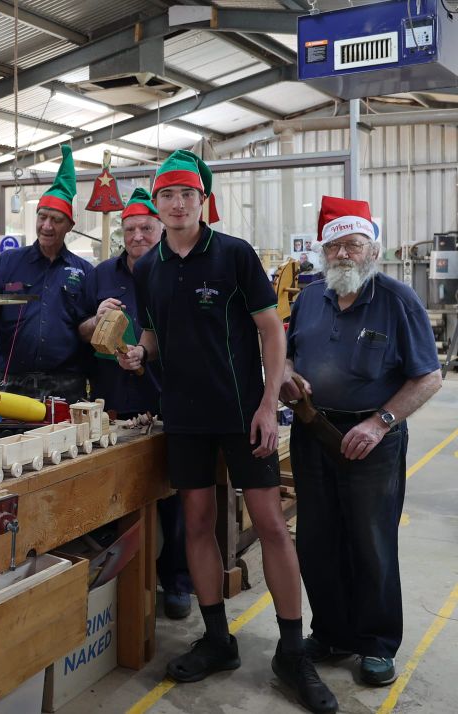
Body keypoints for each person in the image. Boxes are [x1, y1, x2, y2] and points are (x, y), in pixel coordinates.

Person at [119, 150, 337, 714]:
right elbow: (153, 335)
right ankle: (218, 639)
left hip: (244, 414)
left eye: (185, 193)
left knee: (269, 524)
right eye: (165, 194)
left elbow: (271, 332)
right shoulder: (148, 268)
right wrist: (136, 354)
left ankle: (292, 651)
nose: (175, 203)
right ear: (155, 202)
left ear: (202, 200)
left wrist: (269, 405)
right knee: (196, 521)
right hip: (185, 417)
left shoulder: (235, 256)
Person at [281, 196, 441, 686]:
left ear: (373, 251)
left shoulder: (397, 300)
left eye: (354, 245)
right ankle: (331, 632)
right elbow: (284, 357)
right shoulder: (309, 298)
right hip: (314, 433)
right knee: (317, 539)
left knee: (370, 541)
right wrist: (286, 374)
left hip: (373, 439)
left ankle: (375, 643)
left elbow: (429, 377)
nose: (344, 255)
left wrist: (380, 422)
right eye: (335, 246)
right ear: (321, 252)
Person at [77, 187, 192, 619]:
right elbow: (82, 331)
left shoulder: (174, 271)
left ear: (160, 228)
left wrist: (149, 353)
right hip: (112, 404)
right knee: (113, 495)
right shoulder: (101, 275)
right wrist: (96, 320)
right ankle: (120, 579)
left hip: (163, 400)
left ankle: (176, 580)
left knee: (171, 496)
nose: (138, 235)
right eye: (130, 229)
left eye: (146, 227)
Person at [0, 145, 92, 403]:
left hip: (66, 388)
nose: (47, 226)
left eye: (56, 220)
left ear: (70, 225)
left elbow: (89, 330)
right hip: (13, 385)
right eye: (42, 217)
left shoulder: (84, 272)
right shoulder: (5, 264)